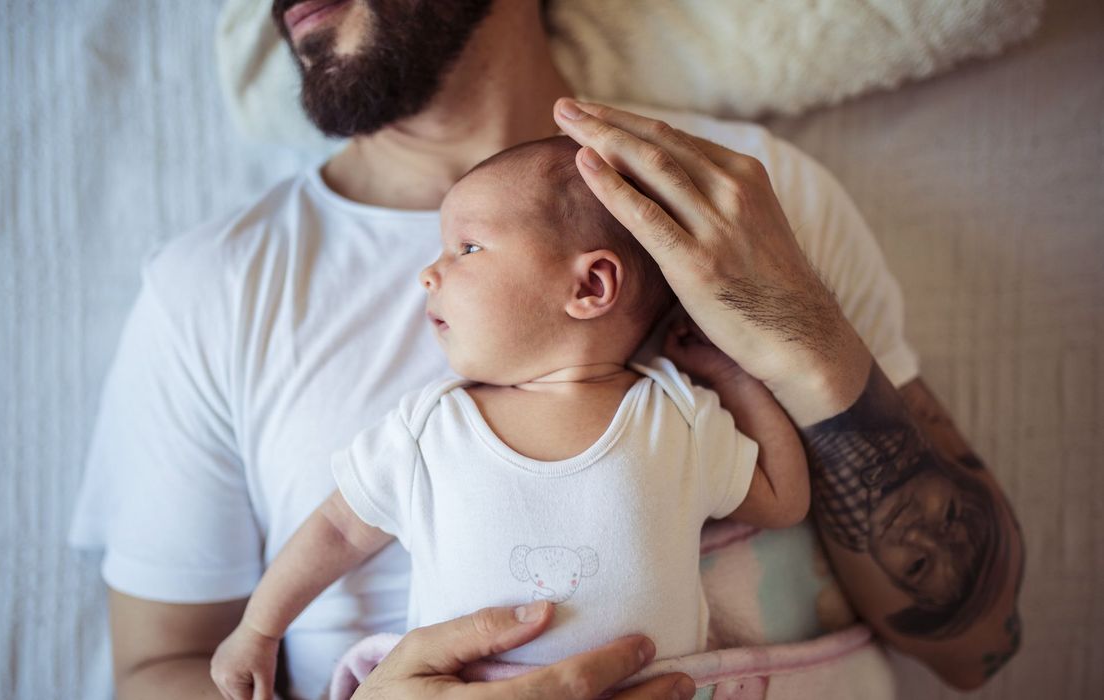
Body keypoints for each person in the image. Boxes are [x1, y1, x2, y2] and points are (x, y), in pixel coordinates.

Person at [68, 0, 1025, 698]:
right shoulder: (216, 289)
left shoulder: (747, 199)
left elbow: (975, 644)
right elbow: (159, 666)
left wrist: (804, 347)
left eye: (470, 249)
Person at [207, 135, 811, 700]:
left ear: (592, 284)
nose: (428, 274)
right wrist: (259, 629)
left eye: (467, 248)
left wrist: (733, 376)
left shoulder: (676, 416)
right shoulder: (429, 429)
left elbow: (783, 500)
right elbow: (339, 531)